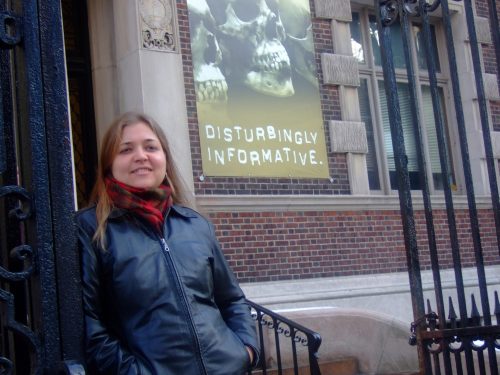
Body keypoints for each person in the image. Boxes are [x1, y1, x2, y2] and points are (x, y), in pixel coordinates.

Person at [76, 111, 259, 374]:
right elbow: (90, 326)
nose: (141, 156)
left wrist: (246, 350)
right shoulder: (91, 228)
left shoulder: (196, 225)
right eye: (126, 149)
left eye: (151, 147)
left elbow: (231, 299)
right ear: (109, 164)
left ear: (164, 158)